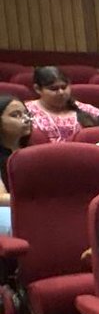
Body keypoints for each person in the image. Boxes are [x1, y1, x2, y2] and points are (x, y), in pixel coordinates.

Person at [27, 66, 99, 143]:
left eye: (64, 87)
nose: (61, 92)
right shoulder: (27, 112)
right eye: (54, 89)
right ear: (37, 89)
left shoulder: (88, 111)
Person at [0, 95, 32, 234]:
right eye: (15, 115)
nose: (26, 120)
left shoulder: (34, 152)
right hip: (6, 208)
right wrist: (36, 201)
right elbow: (0, 197)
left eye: (27, 114)